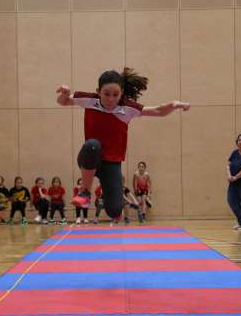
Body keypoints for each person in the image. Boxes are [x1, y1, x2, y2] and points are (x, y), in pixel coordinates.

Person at [56, 67, 189, 221]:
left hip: (112, 163)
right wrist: (64, 94)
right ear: (98, 91)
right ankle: (85, 191)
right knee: (92, 144)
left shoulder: (127, 109)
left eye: (115, 95)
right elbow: (63, 102)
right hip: (90, 157)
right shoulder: (89, 101)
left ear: (121, 93)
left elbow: (158, 111)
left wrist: (172, 105)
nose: (111, 99)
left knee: (114, 211)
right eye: (106, 94)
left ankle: (108, 191)